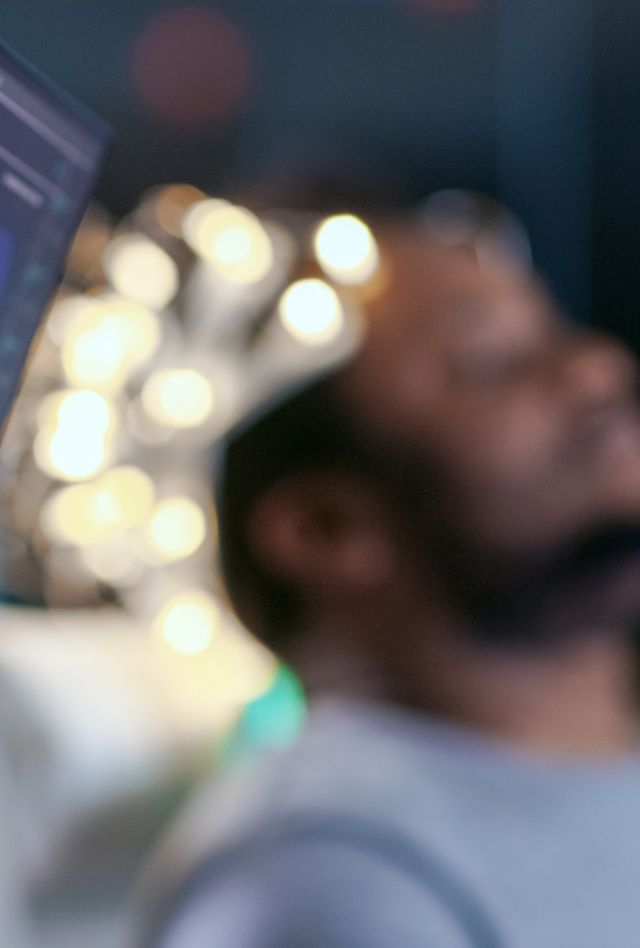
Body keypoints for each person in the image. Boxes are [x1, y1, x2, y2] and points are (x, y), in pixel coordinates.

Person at [141, 220, 640, 947]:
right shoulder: (330, 880)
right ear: (326, 526)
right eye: (489, 361)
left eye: (553, 332)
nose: (596, 368)